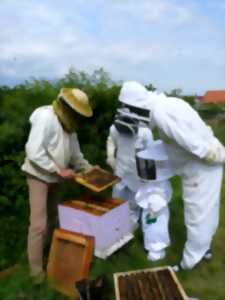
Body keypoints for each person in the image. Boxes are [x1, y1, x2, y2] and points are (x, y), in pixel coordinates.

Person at [118, 81, 224, 270]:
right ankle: (204, 249)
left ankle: (189, 262)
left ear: (137, 105)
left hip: (202, 167)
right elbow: (175, 142)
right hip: (196, 164)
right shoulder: (165, 106)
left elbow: (196, 145)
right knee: (209, 210)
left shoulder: (162, 113)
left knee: (197, 215)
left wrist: (217, 156)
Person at [22, 88, 93, 283]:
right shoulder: (46, 118)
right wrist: (58, 170)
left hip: (56, 177)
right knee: (38, 225)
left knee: (53, 218)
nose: (77, 117)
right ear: (67, 108)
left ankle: (47, 254)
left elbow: (76, 156)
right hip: (38, 175)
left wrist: (88, 169)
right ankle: (36, 273)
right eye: (76, 113)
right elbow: (33, 151)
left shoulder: (69, 127)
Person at [106, 107, 153, 229]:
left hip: (137, 175)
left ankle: (129, 231)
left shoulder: (145, 133)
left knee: (133, 205)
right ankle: (115, 228)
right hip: (120, 172)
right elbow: (111, 140)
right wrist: (110, 156)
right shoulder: (114, 129)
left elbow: (151, 155)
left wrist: (147, 177)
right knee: (116, 202)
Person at [135, 140, 173, 261]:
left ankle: (156, 251)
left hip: (156, 210)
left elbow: (159, 198)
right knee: (150, 227)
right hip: (152, 209)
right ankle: (153, 248)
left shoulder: (161, 184)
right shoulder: (155, 182)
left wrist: (152, 209)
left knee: (156, 228)